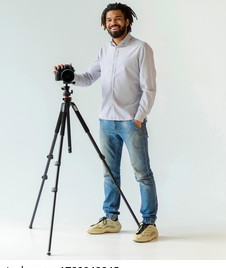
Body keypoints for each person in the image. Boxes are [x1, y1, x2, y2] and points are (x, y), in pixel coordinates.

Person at [54, 2, 158, 242]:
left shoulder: (141, 49)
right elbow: (89, 78)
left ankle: (149, 223)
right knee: (109, 173)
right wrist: (67, 74)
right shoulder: (104, 50)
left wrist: (139, 119)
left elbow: (149, 88)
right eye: (110, 20)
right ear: (105, 24)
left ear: (127, 21)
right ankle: (111, 219)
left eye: (118, 19)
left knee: (142, 173)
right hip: (106, 122)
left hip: (131, 122)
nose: (114, 23)